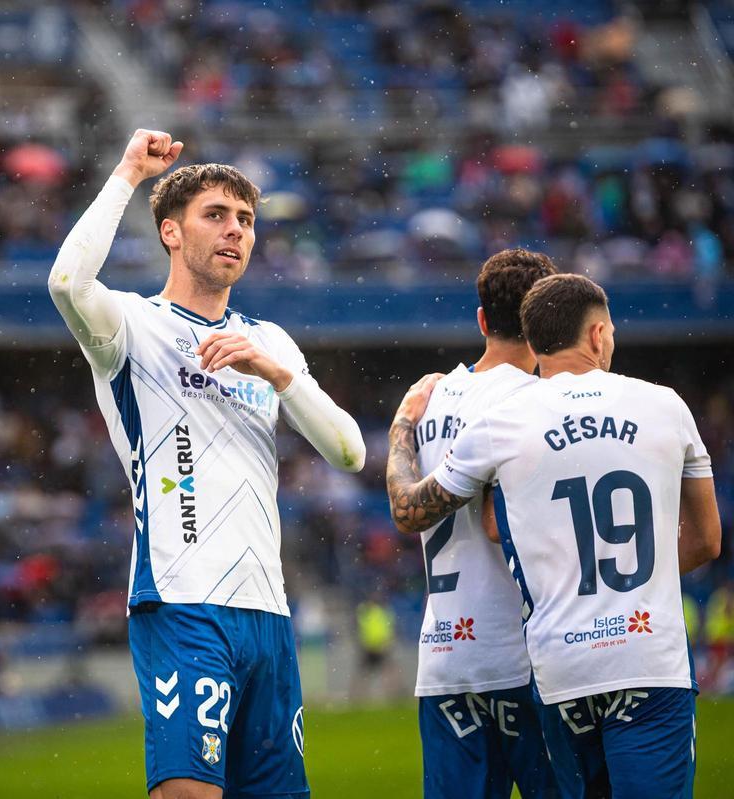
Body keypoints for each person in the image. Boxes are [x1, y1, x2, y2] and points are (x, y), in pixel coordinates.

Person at [48, 129, 366, 799]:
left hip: (269, 612)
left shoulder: (269, 342)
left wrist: (276, 373)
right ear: (171, 232)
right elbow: (68, 283)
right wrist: (128, 173)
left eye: (245, 219)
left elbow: (349, 451)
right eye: (215, 215)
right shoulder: (132, 326)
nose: (235, 231)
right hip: (182, 598)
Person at [386, 273, 722, 798]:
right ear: (597, 335)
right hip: (648, 659)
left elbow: (429, 514)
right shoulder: (665, 405)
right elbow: (705, 540)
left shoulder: (505, 421)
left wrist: (403, 425)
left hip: (560, 666)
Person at [402, 249, 559, 799]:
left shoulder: (428, 398)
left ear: (481, 319)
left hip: (446, 656)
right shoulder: (538, 403)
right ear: (545, 322)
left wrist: (401, 423)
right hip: (523, 656)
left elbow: (406, 504)